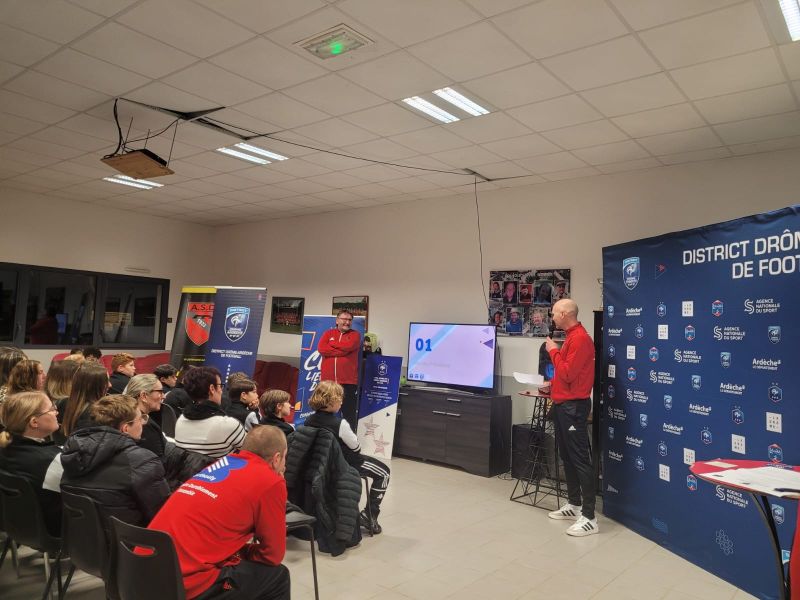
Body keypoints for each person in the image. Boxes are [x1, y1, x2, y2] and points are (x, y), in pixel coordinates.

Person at [148, 426, 290, 600]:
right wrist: (243, 553)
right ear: (277, 458)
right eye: (285, 457)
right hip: (183, 584)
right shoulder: (271, 482)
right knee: (278, 576)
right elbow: (273, 555)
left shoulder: (223, 463)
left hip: (141, 570)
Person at [60, 394, 170, 529]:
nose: (143, 423)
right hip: (130, 539)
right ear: (125, 428)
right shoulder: (142, 461)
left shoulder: (72, 453)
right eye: (140, 418)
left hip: (81, 536)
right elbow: (162, 514)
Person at [304, 380, 390, 534]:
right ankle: (369, 515)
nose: (342, 402)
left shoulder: (308, 420)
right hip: (345, 464)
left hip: (321, 464)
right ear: (331, 402)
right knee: (384, 473)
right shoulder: (341, 424)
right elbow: (356, 447)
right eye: (339, 399)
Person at [544, 299, 597, 536]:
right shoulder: (571, 337)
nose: (552, 316)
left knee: (579, 459)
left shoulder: (580, 339)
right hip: (563, 406)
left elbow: (567, 372)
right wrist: (552, 384)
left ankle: (590, 517)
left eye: (554, 313)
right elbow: (566, 374)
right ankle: (574, 505)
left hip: (573, 408)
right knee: (566, 456)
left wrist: (553, 351)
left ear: (565, 314)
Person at [0, 391, 64, 536]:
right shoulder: (51, 461)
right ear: (34, 422)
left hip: (15, 525)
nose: (56, 412)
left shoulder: (5, 449)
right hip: (54, 531)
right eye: (51, 409)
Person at [174, 366, 245, 458]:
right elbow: (252, 451)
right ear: (212, 389)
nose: (221, 391)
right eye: (220, 386)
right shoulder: (228, 424)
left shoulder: (180, 420)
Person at [318, 310, 361, 430]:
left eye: (349, 320)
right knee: (324, 411)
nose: (347, 322)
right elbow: (322, 349)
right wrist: (342, 351)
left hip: (348, 382)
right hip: (328, 382)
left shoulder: (355, 335)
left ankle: (349, 439)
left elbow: (349, 346)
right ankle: (325, 435)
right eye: (344, 319)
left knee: (349, 414)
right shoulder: (328, 333)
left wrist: (333, 343)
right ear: (337, 321)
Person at [60, 362, 110, 437]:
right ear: (94, 385)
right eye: (106, 381)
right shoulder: (97, 413)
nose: (110, 385)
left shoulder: (63, 402)